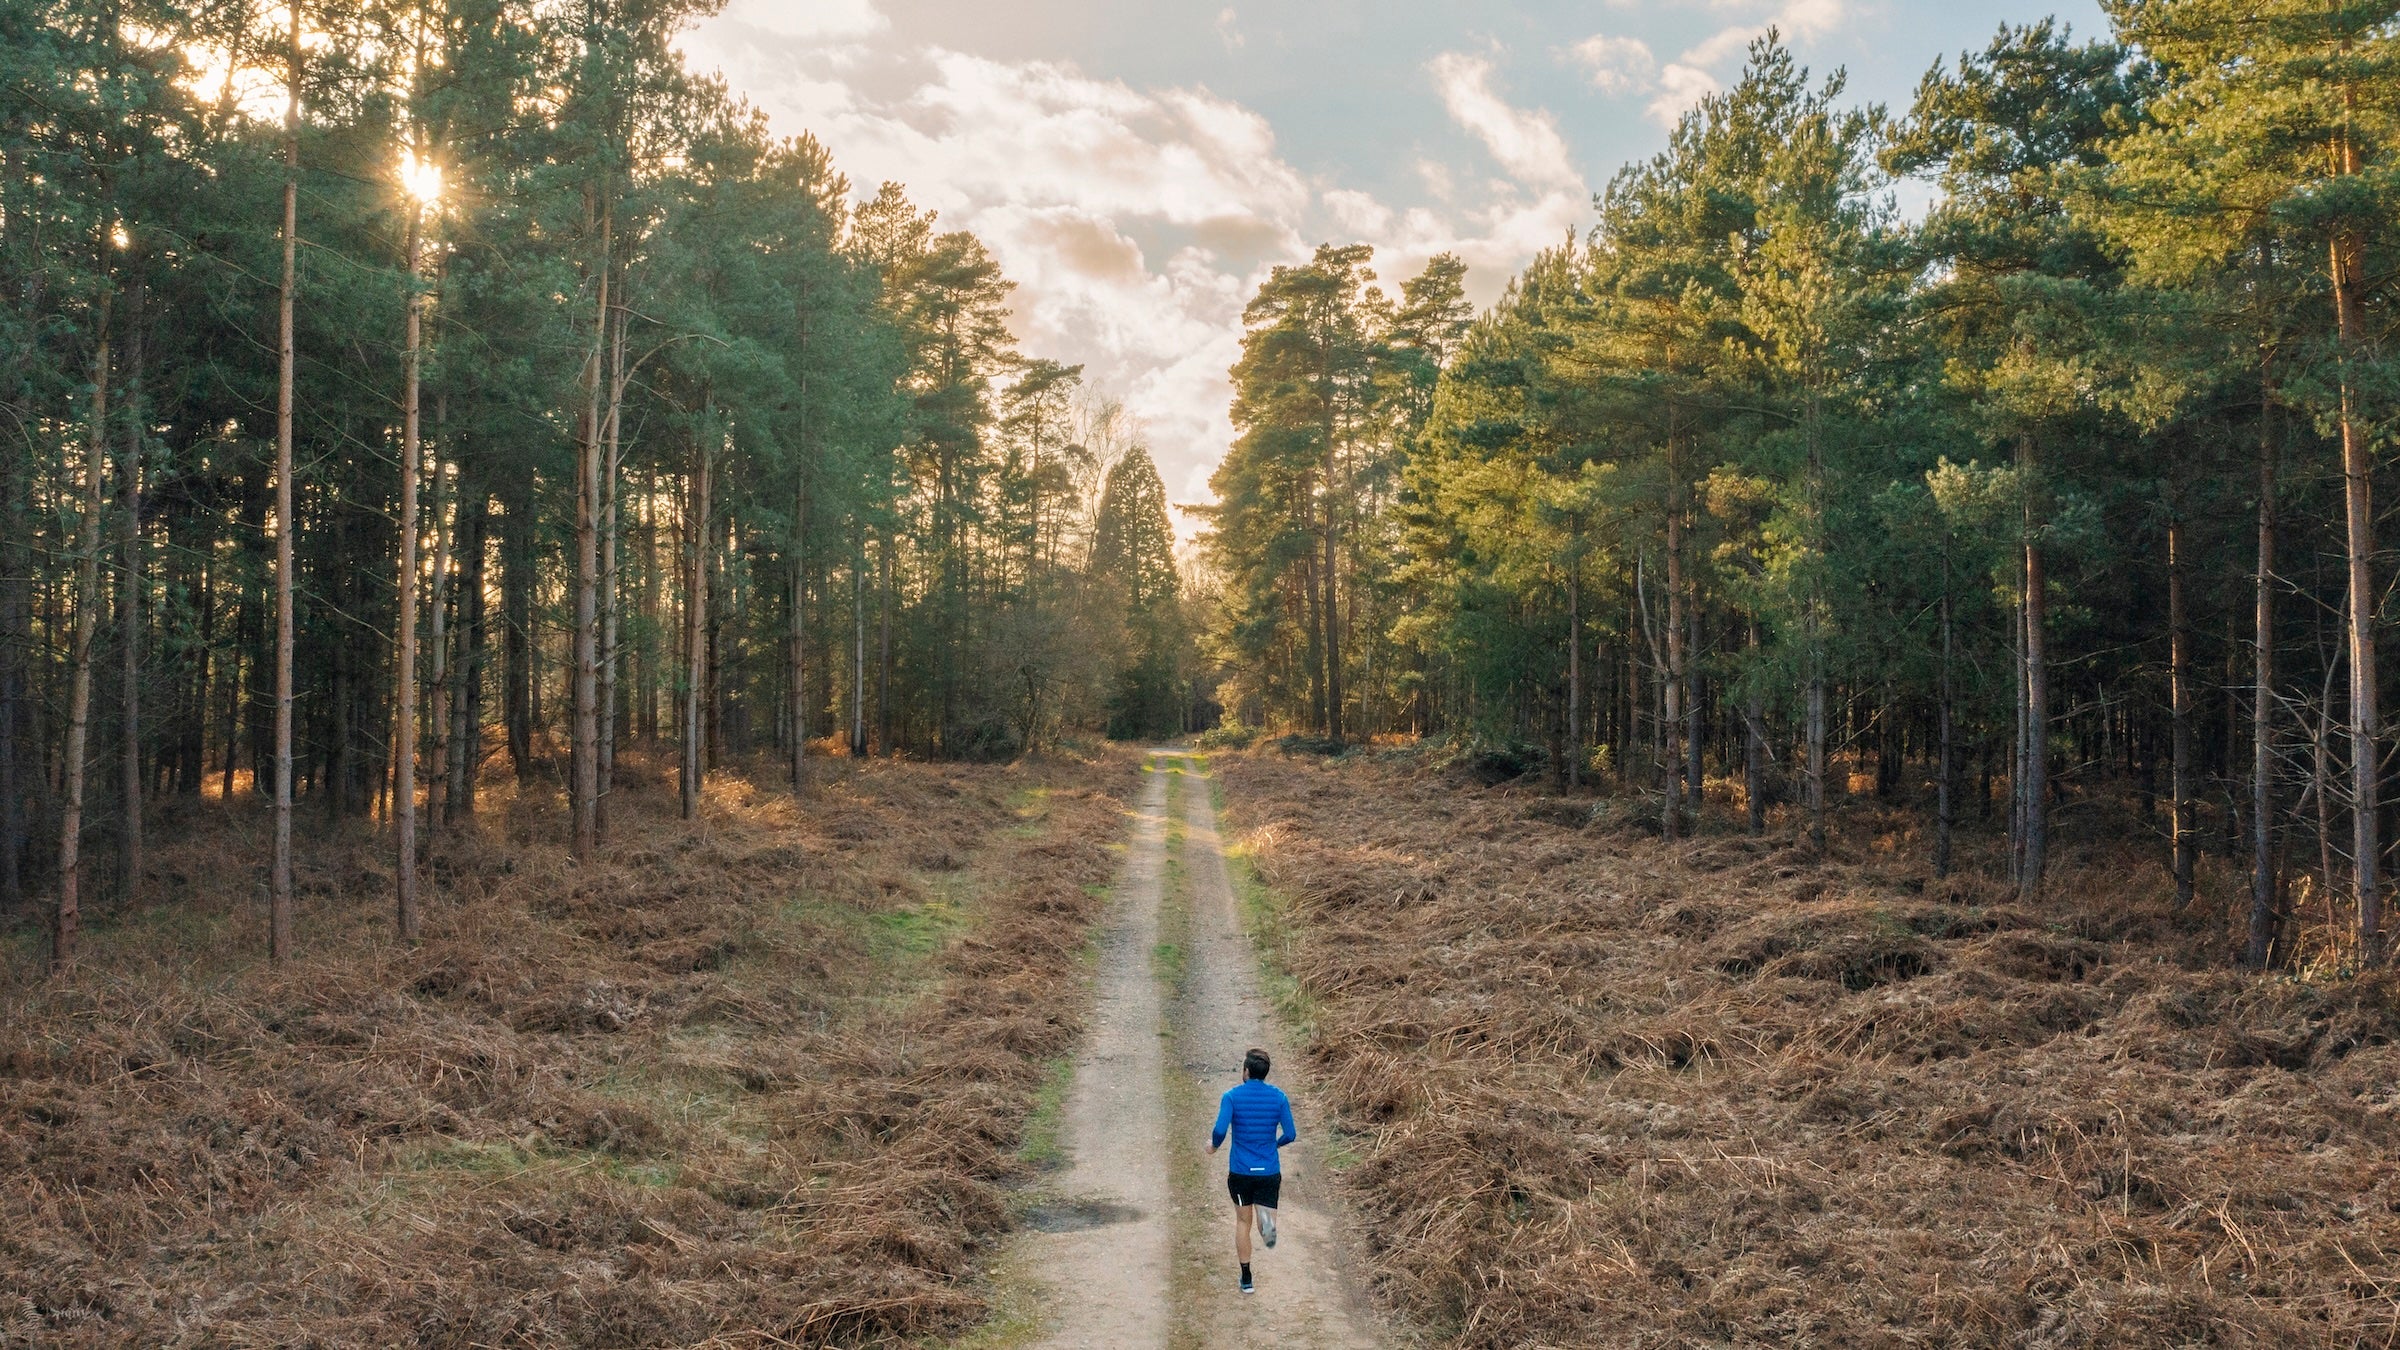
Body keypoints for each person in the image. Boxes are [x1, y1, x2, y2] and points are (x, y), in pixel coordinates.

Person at [1209, 1046, 1296, 1294]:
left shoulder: (1232, 1096)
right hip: (1268, 1170)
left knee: (1242, 1221)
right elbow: (1290, 1134)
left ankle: (1246, 1279)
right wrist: (1273, 1144)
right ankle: (1266, 1226)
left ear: (1246, 1071)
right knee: (1264, 1223)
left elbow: (1219, 1131)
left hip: (1240, 1172)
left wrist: (1213, 1147)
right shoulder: (1279, 1097)